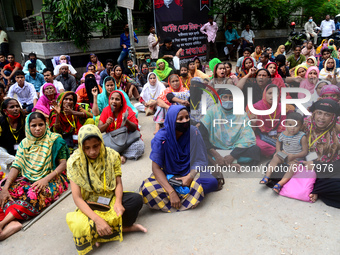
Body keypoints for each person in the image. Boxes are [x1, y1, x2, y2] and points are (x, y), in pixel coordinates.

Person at [66, 124, 146, 254]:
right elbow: (77, 198)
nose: (92, 152)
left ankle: (98, 233)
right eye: (87, 148)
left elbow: (118, 183)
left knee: (136, 200)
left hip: (109, 199)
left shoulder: (112, 155)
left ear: (101, 142)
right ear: (81, 147)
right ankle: (124, 229)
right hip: (90, 203)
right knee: (77, 224)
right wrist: (97, 220)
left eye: (96, 146)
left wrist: (118, 202)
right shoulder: (74, 163)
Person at [0, 112, 69, 240]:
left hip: (52, 177)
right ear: (28, 126)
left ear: (46, 124)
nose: (37, 129)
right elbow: (17, 165)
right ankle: (12, 222)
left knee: (33, 194)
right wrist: (5, 188)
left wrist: (45, 179)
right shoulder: (25, 143)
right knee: (3, 187)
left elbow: (63, 164)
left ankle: (3, 224)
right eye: (33, 125)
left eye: (41, 125)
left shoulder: (55, 140)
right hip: (27, 176)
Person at [140, 105, 218, 212]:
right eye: (180, 119)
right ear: (172, 120)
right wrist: (171, 192)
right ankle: (189, 199)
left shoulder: (194, 132)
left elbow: (200, 160)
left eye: (187, 117)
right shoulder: (161, 138)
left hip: (190, 173)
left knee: (211, 182)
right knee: (146, 190)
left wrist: (189, 176)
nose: (185, 121)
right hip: (169, 177)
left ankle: (176, 199)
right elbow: (156, 168)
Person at [199, 88, 260, 171]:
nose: (228, 100)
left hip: (235, 147)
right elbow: (202, 134)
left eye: (231, 97)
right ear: (220, 98)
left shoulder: (241, 113)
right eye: (225, 97)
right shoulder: (212, 111)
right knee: (199, 148)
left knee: (255, 149)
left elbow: (248, 137)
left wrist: (233, 155)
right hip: (215, 148)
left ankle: (224, 160)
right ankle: (227, 161)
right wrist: (216, 154)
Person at [301, 99, 340, 208]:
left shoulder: (337, 133)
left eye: (327, 115)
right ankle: (316, 188)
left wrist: (316, 165)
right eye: (319, 113)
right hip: (306, 165)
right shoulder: (305, 125)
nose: (321, 118)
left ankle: (316, 189)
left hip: (330, 172)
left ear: (333, 117)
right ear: (314, 113)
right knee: (273, 168)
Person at [260, 112, 308, 193]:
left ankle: (280, 184)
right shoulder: (283, 134)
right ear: (285, 124)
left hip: (296, 160)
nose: (293, 128)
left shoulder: (302, 137)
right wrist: (278, 151)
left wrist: (294, 156)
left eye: (296, 126)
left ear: (301, 126)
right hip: (284, 156)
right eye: (290, 125)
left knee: (292, 168)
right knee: (275, 159)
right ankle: (266, 177)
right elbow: (278, 141)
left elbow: (305, 152)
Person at [98, 91, 144, 164]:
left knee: (140, 146)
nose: (114, 101)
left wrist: (127, 121)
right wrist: (106, 124)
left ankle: (120, 155)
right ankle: (120, 155)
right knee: (99, 147)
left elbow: (134, 128)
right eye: (112, 99)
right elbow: (99, 129)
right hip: (112, 141)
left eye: (117, 99)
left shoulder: (127, 110)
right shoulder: (106, 110)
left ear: (122, 102)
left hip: (126, 140)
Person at [246, 84, 286, 157]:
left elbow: (283, 123)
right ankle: (278, 152)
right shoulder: (255, 107)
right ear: (264, 94)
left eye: (275, 93)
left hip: (277, 134)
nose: (272, 96)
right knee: (259, 145)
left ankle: (277, 152)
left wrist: (280, 133)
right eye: (270, 93)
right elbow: (250, 130)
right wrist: (253, 123)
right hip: (261, 135)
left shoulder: (281, 106)